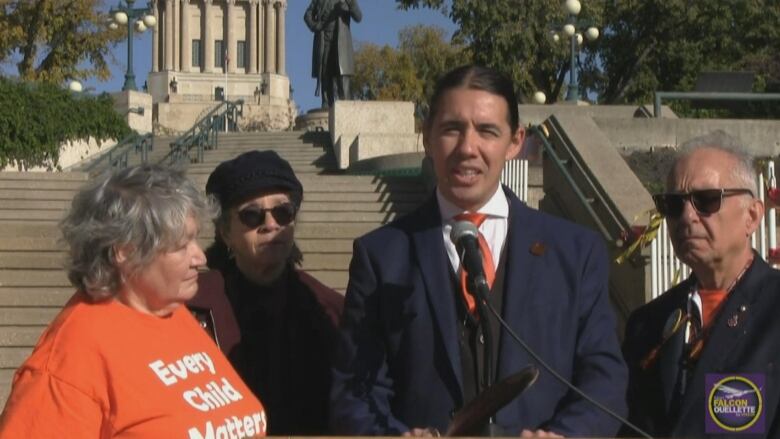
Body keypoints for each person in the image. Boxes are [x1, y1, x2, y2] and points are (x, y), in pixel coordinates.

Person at [330, 65, 627, 437]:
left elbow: (604, 379)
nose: (467, 148)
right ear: (427, 137)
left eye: (487, 131)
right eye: (452, 129)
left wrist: (566, 435)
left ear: (515, 141)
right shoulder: (381, 255)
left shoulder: (576, 251)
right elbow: (354, 390)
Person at [0, 165, 267, 438]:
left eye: (195, 240)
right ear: (125, 252)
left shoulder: (170, 312)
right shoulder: (69, 363)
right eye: (181, 246)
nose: (200, 258)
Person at [623, 131, 779, 437]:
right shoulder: (647, 324)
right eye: (673, 204)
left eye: (706, 200)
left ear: (752, 215)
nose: (687, 217)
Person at [193, 150, 343, 435]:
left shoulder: (329, 310)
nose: (271, 224)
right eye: (252, 215)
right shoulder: (191, 308)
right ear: (225, 232)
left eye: (283, 212)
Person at [304, 0, 362, 109]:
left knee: (342, 77)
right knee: (325, 74)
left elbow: (358, 17)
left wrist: (350, 3)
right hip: (323, 41)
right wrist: (315, 26)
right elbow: (307, 15)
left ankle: (346, 107)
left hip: (340, 42)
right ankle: (326, 104)